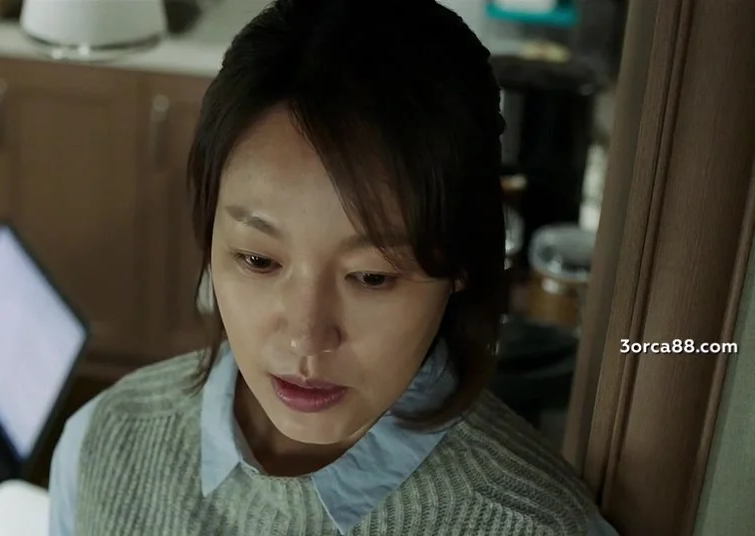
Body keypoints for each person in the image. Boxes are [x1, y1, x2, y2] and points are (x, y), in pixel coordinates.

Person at [47, 0, 619, 534]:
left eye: (372, 277)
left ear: (461, 261)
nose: (306, 337)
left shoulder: (531, 524)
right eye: (258, 260)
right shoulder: (105, 443)